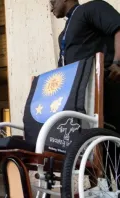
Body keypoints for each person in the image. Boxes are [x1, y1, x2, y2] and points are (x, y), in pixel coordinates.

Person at [50, 0, 120, 186]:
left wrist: (118, 63)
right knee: (93, 152)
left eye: (52, 0)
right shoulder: (63, 35)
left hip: (105, 89)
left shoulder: (91, 8)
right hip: (81, 98)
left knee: (113, 146)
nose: (50, 5)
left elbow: (118, 29)